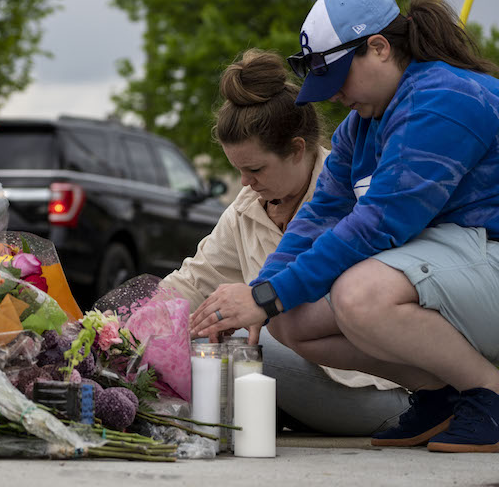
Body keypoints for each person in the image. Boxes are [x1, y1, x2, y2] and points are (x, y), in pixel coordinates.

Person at [191, 0, 499, 453]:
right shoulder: (363, 125)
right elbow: (318, 218)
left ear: (378, 47)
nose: (333, 96)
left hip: (488, 257)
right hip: (470, 269)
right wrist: (265, 295)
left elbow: (380, 222)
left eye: (337, 78)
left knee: (361, 293)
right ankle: (443, 396)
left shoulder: (444, 98)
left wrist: (267, 294)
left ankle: (489, 394)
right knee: (288, 322)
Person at [160, 48, 408, 436]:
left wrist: (255, 304)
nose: (245, 182)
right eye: (237, 169)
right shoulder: (246, 209)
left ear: (297, 149)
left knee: (241, 340)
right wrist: (115, 327)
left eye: (255, 169)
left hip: (381, 389)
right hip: (298, 386)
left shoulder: (362, 198)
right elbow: (190, 284)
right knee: (185, 336)